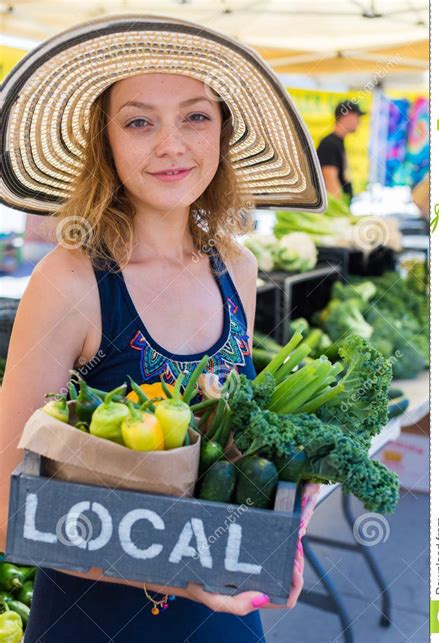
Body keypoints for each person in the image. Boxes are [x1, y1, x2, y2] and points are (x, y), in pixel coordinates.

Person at [0, 15, 323, 643]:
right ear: (107, 142)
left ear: (224, 132)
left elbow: (230, 449)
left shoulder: (238, 267)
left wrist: (289, 493)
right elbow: (8, 507)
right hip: (96, 620)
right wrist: (181, 579)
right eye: (139, 121)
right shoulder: (71, 282)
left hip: (228, 616)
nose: (171, 145)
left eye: (196, 117)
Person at [317, 100, 366, 204]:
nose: (359, 121)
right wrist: (339, 211)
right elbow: (330, 179)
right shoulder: (329, 143)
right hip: (335, 210)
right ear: (347, 116)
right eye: (357, 116)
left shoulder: (338, 142)